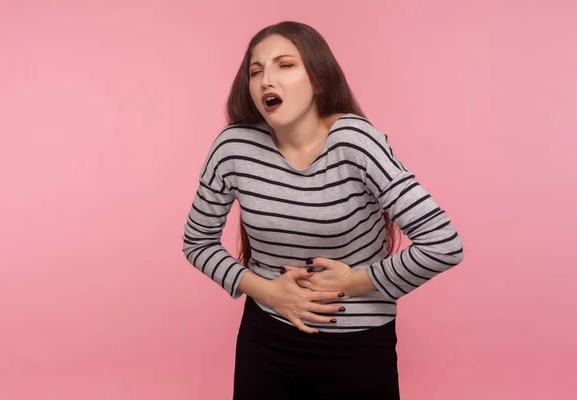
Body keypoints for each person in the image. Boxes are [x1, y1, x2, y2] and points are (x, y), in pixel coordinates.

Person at [182, 21, 464, 399]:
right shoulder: (234, 147)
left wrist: (353, 281)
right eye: (256, 70)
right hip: (266, 337)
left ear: (317, 79)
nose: (267, 79)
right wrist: (269, 293)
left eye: (284, 65)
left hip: (359, 345)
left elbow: (443, 245)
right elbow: (197, 242)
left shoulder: (356, 141)